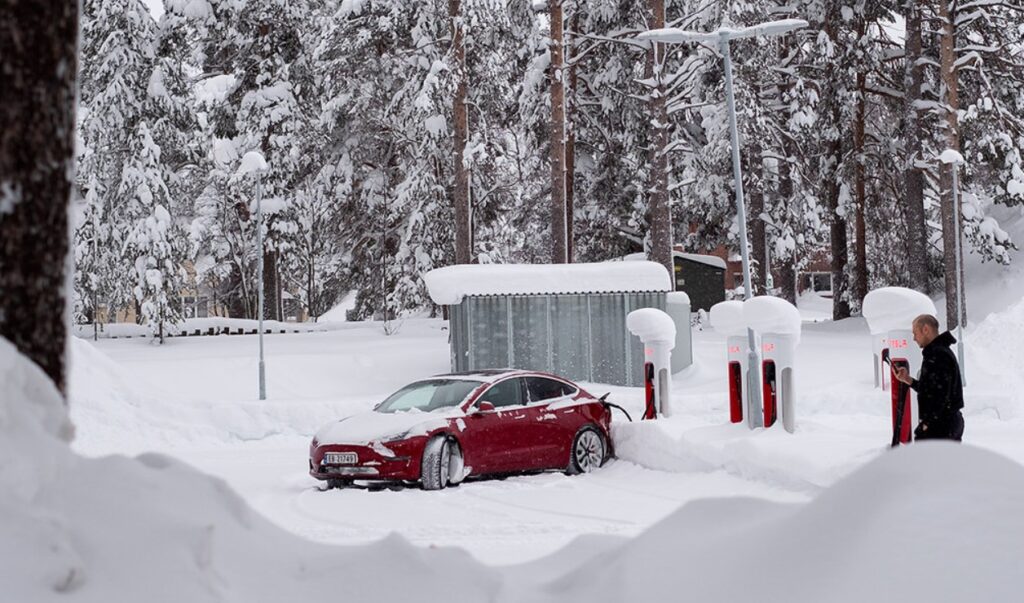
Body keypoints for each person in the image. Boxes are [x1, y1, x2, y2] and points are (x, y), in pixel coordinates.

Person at [894, 314, 965, 441]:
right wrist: (907, 379)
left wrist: (927, 423)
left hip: (941, 427)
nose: (914, 338)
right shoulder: (937, 352)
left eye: (915, 333)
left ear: (926, 329)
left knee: (934, 460)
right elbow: (929, 389)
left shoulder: (938, 355)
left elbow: (941, 394)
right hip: (945, 424)